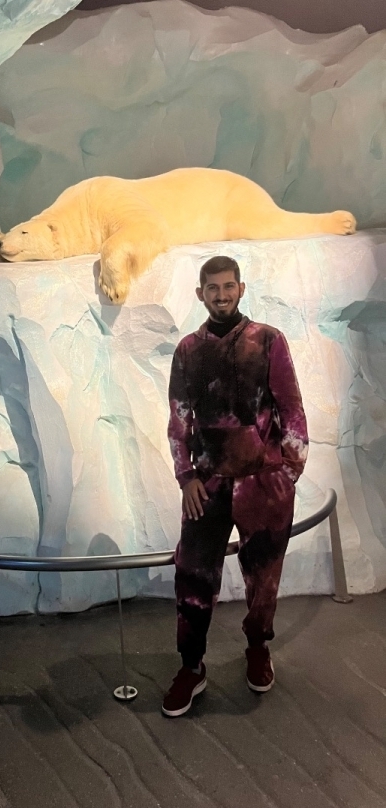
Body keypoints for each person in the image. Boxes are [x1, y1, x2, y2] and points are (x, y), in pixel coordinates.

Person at [162, 255, 308, 717]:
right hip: (206, 487)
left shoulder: (268, 340)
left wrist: (287, 472)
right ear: (200, 294)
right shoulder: (188, 350)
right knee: (192, 576)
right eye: (213, 288)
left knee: (263, 578)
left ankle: (258, 648)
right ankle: (191, 667)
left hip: (263, 484)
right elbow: (179, 419)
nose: (221, 295)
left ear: (241, 289)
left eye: (228, 286)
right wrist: (186, 477)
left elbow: (291, 408)